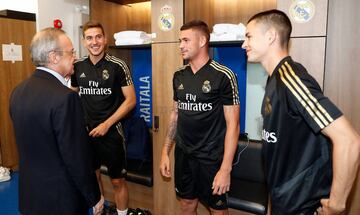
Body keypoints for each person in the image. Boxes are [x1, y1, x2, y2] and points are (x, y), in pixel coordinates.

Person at [242, 9, 360, 215]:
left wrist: (336, 205)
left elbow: (349, 140)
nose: (244, 44)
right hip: (283, 200)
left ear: (270, 36)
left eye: (249, 36)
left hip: (300, 205)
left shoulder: (291, 79)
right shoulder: (274, 79)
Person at [9, 28, 104, 215]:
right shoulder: (66, 98)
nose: (75, 57)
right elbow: (77, 158)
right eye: (71, 52)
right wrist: (94, 196)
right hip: (61, 201)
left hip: (31, 197)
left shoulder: (17, 92)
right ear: (54, 57)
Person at [160, 20, 240, 215]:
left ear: (203, 40)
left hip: (212, 159)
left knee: (217, 211)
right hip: (184, 155)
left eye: (186, 40)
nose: (181, 45)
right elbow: (176, 115)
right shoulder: (179, 75)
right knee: (187, 206)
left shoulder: (224, 75)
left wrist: (225, 169)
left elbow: (233, 126)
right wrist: (165, 151)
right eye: (180, 40)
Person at [71, 21, 136, 215]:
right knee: (93, 175)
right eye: (89, 38)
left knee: (117, 181)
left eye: (98, 37)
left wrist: (107, 124)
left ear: (105, 39)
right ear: (84, 41)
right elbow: (72, 95)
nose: (94, 42)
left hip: (112, 133)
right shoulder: (78, 66)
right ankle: (99, 210)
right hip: (87, 133)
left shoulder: (118, 66)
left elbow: (131, 100)